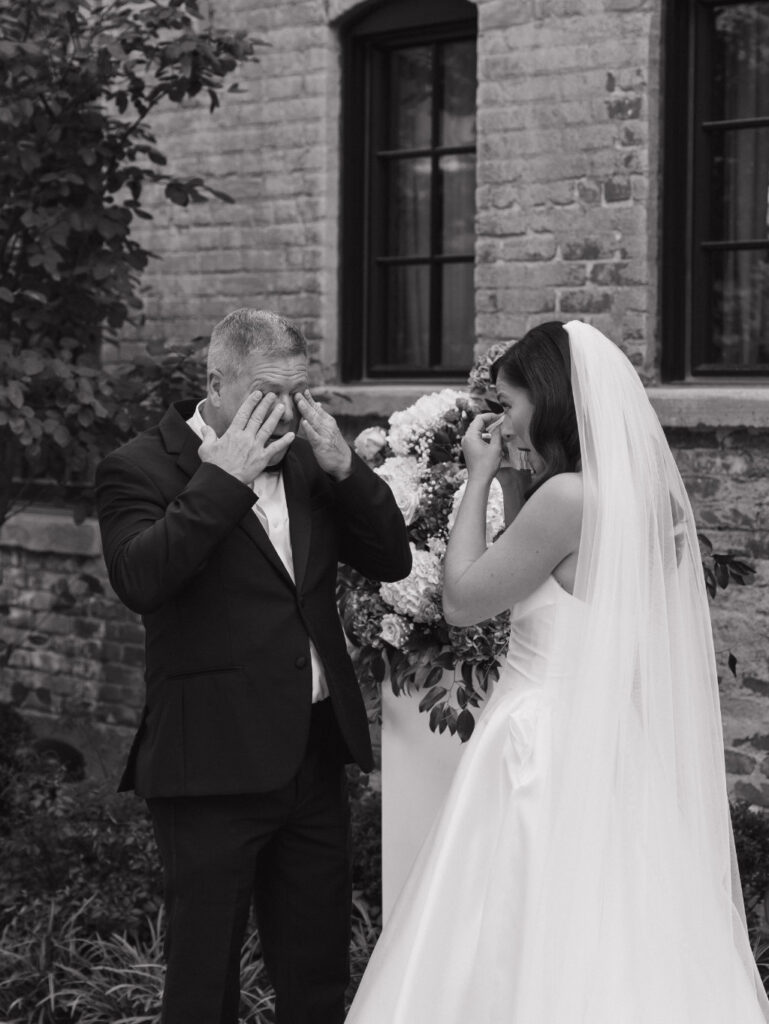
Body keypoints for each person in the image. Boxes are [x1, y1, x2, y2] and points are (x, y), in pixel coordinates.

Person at [345, 320, 769, 1023]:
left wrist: (479, 477)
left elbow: (462, 601)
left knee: (519, 924)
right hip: (609, 741)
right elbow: (559, 584)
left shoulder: (567, 497)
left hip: (539, 741)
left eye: (509, 403)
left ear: (548, 400)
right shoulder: (645, 499)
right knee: (617, 925)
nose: (503, 420)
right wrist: (515, 480)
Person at [95, 308, 412, 1024]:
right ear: (216, 384)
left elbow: (392, 560)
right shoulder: (137, 467)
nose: (289, 411)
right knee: (204, 985)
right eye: (269, 393)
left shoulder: (306, 459)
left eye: (300, 392)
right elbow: (141, 580)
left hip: (313, 756)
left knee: (317, 975)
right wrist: (223, 480)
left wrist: (346, 469)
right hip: (208, 763)